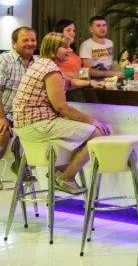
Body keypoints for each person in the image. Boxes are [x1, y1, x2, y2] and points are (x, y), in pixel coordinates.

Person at [12, 32, 111, 195]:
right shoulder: (50, 70)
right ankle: (66, 177)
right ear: (53, 49)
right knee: (98, 132)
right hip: (38, 125)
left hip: (26, 126)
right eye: (65, 47)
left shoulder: (41, 63)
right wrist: (92, 121)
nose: (70, 50)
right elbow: (61, 108)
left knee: (87, 132)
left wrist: (90, 83)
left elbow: (68, 82)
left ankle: (58, 172)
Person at [0, 27, 37, 175]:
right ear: (14, 43)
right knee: (2, 133)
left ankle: (21, 164)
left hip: (26, 117)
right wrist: (1, 117)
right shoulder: (5, 60)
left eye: (33, 40)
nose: (30, 43)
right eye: (25, 40)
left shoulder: (38, 62)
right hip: (5, 113)